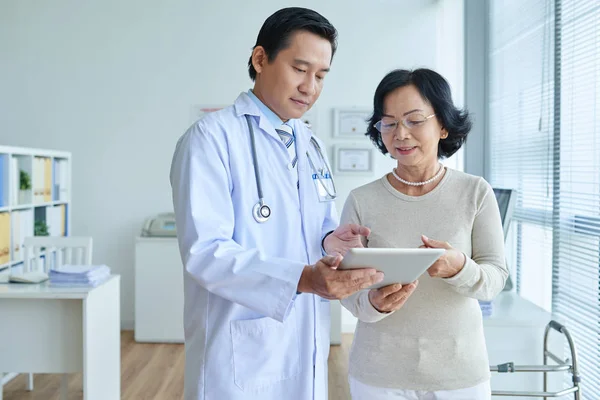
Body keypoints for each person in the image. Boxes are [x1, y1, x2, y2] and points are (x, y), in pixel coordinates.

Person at [169, 7, 384, 400]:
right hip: (239, 349)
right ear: (260, 59)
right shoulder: (211, 139)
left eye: (321, 76)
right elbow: (205, 253)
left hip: (303, 334)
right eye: (300, 69)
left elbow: (310, 229)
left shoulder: (309, 142)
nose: (310, 87)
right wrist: (301, 278)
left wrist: (331, 242)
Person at [340, 68, 508, 400]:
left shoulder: (475, 192)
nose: (400, 134)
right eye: (388, 123)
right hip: (378, 371)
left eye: (414, 120)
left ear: (443, 125)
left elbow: (495, 278)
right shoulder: (362, 199)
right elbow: (346, 288)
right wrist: (373, 303)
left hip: (459, 373)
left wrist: (459, 267)